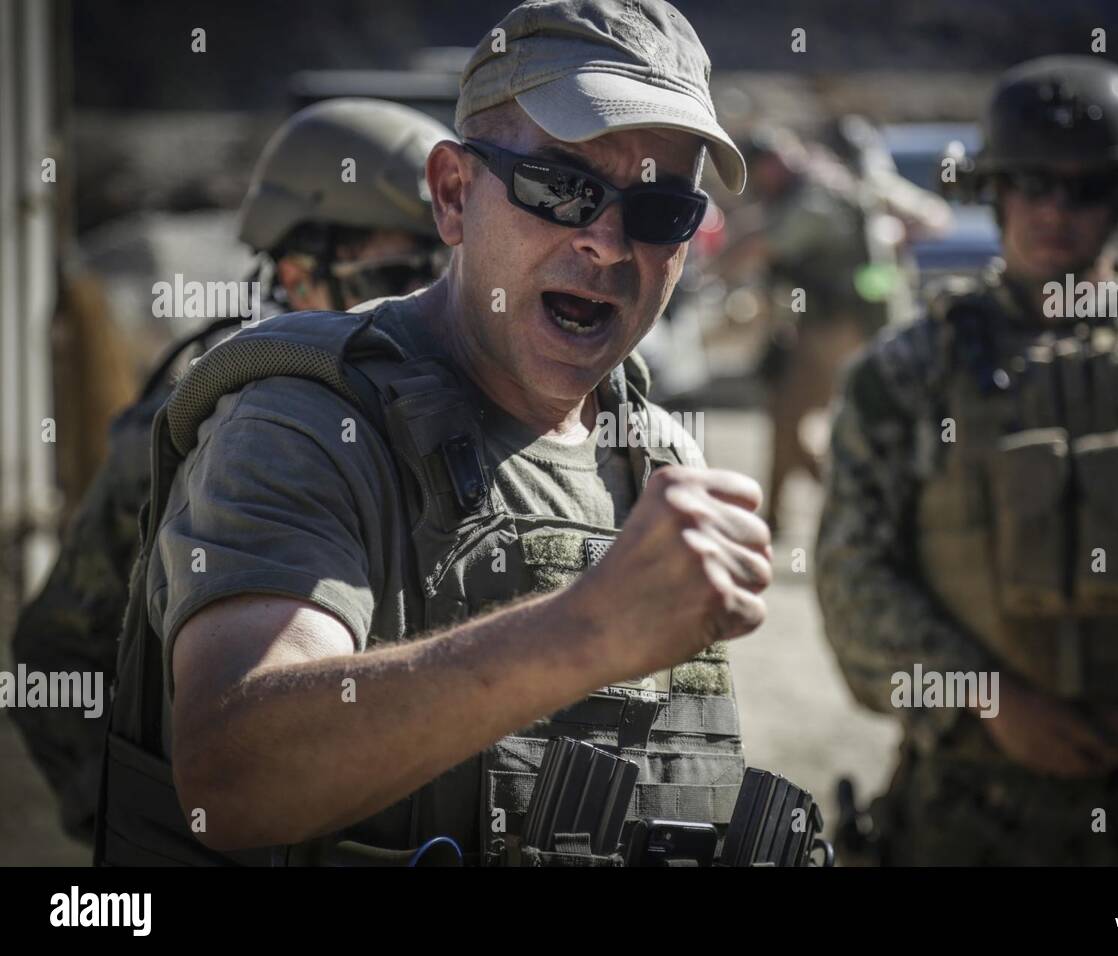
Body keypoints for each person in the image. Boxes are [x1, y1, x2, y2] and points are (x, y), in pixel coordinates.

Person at [96, 0, 771, 867]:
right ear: (455, 195)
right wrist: (584, 630)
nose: (606, 242)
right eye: (562, 187)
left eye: (659, 210)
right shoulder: (308, 420)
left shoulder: (658, 458)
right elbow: (233, 777)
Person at [817, 56, 1118, 865]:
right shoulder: (905, 372)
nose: (1055, 210)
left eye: (1088, 189)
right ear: (994, 189)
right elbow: (850, 575)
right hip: (971, 815)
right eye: (1033, 182)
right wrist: (987, 697)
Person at [11, 96, 452, 845]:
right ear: (296, 271)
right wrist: (142, 825)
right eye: (400, 269)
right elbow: (55, 660)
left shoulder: (450, 408)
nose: (425, 296)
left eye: (443, 268)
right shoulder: (205, 420)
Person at [710, 125, 948, 535]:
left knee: (795, 416)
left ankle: (858, 510)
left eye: (773, 160)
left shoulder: (819, 194)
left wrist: (713, 269)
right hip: (821, 325)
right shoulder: (806, 190)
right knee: (788, 415)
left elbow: (768, 244)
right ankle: (795, 514)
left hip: (840, 327)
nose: (771, 170)